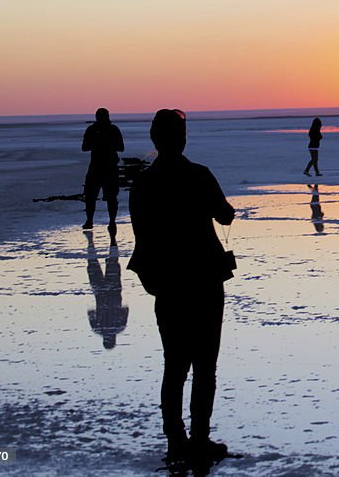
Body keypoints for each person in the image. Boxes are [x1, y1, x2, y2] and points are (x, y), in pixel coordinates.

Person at [128, 109, 236, 468]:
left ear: (155, 138)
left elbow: (140, 232)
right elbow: (225, 214)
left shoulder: (144, 183)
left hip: (167, 281)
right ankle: (199, 437)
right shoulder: (198, 175)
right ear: (182, 138)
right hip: (203, 278)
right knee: (205, 364)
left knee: (174, 364)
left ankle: (176, 438)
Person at [82, 108, 125, 242]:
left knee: (96, 196)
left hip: (103, 167)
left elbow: (120, 147)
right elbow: (85, 147)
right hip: (103, 167)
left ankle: (98, 221)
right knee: (95, 196)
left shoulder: (102, 130)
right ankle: (96, 220)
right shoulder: (109, 130)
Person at [86, 231, 129, 350]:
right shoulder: (98, 329)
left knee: (113, 262)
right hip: (99, 292)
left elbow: (126, 310)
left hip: (114, 290)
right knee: (92, 264)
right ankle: (90, 241)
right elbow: (90, 313)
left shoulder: (120, 327)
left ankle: (112, 238)